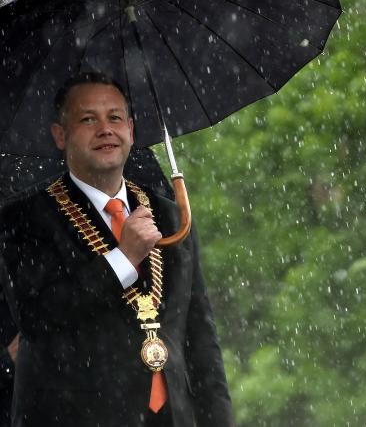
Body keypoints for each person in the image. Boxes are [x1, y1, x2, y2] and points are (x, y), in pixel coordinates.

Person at [0, 72, 233, 426]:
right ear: (60, 136)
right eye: (88, 119)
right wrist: (122, 259)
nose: (105, 129)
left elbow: (201, 341)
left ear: (131, 131)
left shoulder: (171, 215)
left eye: (115, 118)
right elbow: (38, 317)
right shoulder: (24, 218)